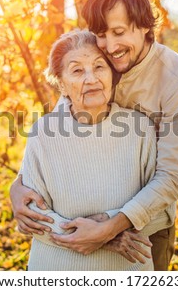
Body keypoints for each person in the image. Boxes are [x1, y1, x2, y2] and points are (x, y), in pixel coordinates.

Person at [10, 0, 178, 271]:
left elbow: (173, 176)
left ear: (144, 27)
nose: (110, 47)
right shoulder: (101, 56)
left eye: (119, 32)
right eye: (102, 34)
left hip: (145, 228)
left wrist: (112, 228)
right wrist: (19, 184)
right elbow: (70, 107)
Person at [21, 29, 170, 270]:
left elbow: (163, 210)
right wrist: (103, 238)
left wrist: (109, 228)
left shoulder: (140, 128)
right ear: (62, 84)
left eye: (99, 67)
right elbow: (31, 217)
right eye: (77, 70)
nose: (91, 79)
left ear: (112, 73)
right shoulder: (43, 133)